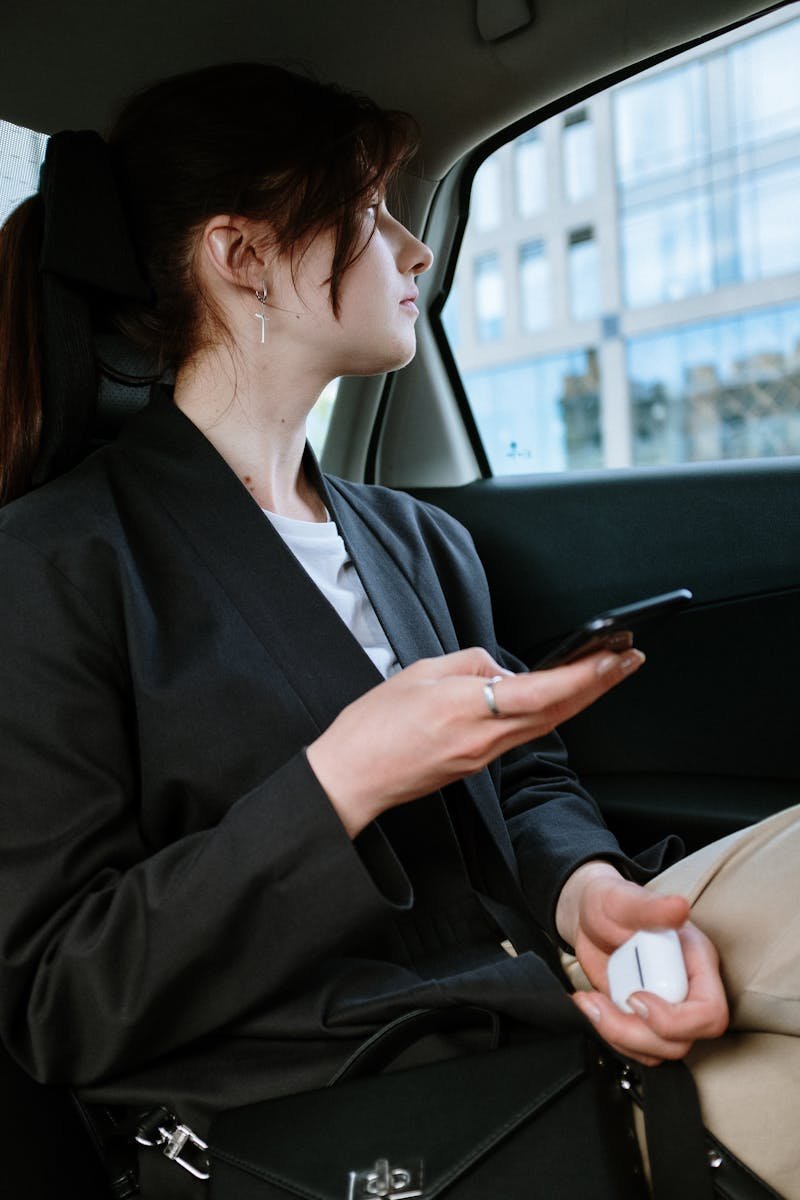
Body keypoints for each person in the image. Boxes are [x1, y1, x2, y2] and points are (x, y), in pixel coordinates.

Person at [0, 62, 794, 1199]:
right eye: (372, 214)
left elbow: (524, 785)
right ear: (242, 257)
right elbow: (61, 1000)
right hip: (355, 1100)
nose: (416, 251)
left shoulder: (418, 539)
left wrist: (583, 889)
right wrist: (341, 779)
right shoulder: (54, 564)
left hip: (543, 992)